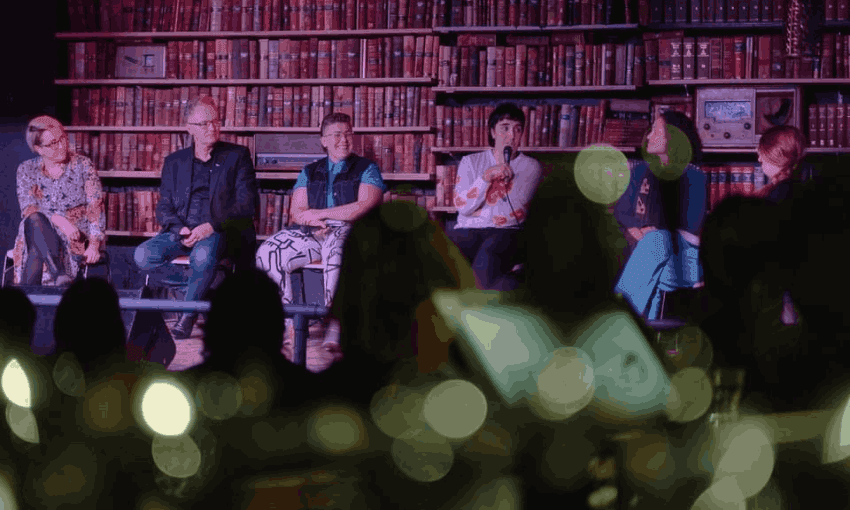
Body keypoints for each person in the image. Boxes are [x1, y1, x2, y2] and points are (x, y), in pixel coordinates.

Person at [255, 112, 385, 355]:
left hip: (351, 231)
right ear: (323, 140)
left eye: (348, 134)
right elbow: (297, 211)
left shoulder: (367, 168)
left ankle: (336, 325)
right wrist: (312, 219)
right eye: (337, 134)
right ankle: (288, 325)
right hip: (313, 231)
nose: (344, 140)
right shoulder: (310, 171)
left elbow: (364, 206)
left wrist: (320, 213)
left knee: (337, 250)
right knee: (268, 251)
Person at [134, 95, 259, 339]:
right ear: (189, 128)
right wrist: (178, 228)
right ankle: (203, 293)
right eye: (204, 124)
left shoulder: (237, 156)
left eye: (215, 122)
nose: (212, 128)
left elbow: (247, 204)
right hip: (183, 232)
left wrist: (211, 226)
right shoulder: (174, 162)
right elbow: (164, 206)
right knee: (143, 256)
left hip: (220, 231)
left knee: (202, 256)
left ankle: (187, 315)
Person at [613, 110, 707, 320]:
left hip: (680, 252)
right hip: (643, 248)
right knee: (657, 267)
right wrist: (639, 232)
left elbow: (691, 224)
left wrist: (654, 231)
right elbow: (621, 211)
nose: (648, 136)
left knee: (657, 240)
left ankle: (619, 319)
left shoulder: (693, 176)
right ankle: (647, 329)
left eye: (655, 130)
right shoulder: (639, 171)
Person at [447, 102, 543, 291]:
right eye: (505, 128)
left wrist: (479, 210)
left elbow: (515, 215)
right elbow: (463, 207)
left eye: (518, 129)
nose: (512, 135)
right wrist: (485, 178)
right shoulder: (470, 162)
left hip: (505, 232)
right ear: (492, 132)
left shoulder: (531, 167)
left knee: (484, 268)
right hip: (466, 231)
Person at [11, 115, 106, 286]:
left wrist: (94, 245)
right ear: (39, 149)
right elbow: (28, 208)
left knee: (36, 248)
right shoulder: (26, 170)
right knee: (35, 221)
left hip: (75, 234)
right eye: (53, 143)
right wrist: (58, 220)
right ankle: (59, 276)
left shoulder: (83, 165)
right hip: (39, 227)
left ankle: (28, 296)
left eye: (63, 138)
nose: (62, 146)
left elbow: (95, 206)